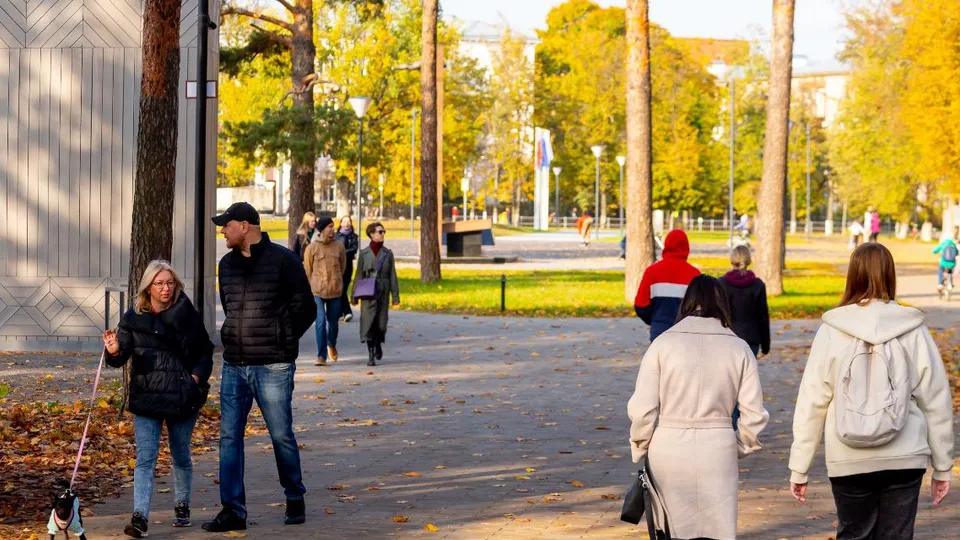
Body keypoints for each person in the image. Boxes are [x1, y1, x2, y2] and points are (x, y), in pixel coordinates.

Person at [788, 243, 954, 539]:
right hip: (905, 455)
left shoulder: (832, 329)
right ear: (891, 275)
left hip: (848, 457)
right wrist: (942, 465)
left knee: (853, 534)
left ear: (853, 275)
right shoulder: (913, 328)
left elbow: (812, 401)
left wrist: (800, 466)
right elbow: (935, 399)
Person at [628, 275, 769, 539]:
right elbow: (753, 414)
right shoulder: (739, 348)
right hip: (717, 446)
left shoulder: (663, 344)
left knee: (671, 529)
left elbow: (643, 408)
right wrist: (741, 444)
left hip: (668, 446)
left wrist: (641, 444)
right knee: (718, 530)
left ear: (687, 302)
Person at [203, 202, 316, 532]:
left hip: (273, 365)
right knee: (228, 438)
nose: (222, 230)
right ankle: (233, 510)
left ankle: (295, 495)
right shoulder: (226, 265)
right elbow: (231, 308)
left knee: (281, 435)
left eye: (226, 225)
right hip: (234, 365)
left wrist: (282, 340)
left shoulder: (284, 261)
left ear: (245, 226)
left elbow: (306, 308)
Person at [102, 260, 213, 538]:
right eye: (160, 283)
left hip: (181, 394)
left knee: (180, 454)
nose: (166, 288)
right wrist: (114, 351)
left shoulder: (186, 313)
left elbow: (204, 352)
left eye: (170, 283)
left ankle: (182, 505)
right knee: (145, 459)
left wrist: (194, 380)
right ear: (148, 287)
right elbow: (120, 357)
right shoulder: (133, 317)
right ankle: (139, 517)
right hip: (147, 395)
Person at [633, 229, 701, 342]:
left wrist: (655, 320)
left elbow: (640, 305)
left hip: (659, 330)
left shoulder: (652, 271)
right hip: (687, 333)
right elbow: (701, 308)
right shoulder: (695, 274)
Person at [352, 222, 400, 366]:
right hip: (368, 291)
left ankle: (378, 343)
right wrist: (354, 295)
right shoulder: (364, 254)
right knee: (368, 323)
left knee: (381, 323)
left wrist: (395, 295)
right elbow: (359, 274)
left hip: (383, 292)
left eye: (384, 231)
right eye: (380, 231)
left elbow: (393, 275)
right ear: (372, 234)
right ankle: (371, 353)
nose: (382, 234)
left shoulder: (388, 253)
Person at [304, 216, 346, 366]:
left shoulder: (339, 247)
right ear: (321, 229)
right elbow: (308, 270)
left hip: (335, 290)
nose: (332, 230)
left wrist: (336, 281)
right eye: (329, 227)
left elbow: (342, 267)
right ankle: (321, 356)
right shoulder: (312, 248)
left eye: (333, 227)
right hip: (317, 291)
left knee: (333, 323)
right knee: (320, 322)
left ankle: (331, 343)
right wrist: (314, 283)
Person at [720, 245, 770, 358]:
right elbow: (763, 317)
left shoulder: (722, 284)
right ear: (748, 261)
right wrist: (765, 346)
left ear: (732, 260)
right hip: (751, 339)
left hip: (727, 338)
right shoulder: (758, 285)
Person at [336, 216, 360, 323]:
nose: (346, 223)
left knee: (343, 288)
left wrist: (343, 253)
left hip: (348, 265)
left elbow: (354, 249)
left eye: (348, 221)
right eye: (344, 221)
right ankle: (345, 311)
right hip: (337, 265)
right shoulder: (336, 236)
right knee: (339, 289)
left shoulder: (354, 236)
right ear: (341, 223)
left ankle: (344, 311)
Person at [933, 227, 959, 297]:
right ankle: (950, 284)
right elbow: (956, 253)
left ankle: (940, 284)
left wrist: (936, 252)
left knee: (940, 271)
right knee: (950, 272)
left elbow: (934, 251)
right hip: (952, 263)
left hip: (943, 262)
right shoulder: (953, 244)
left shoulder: (943, 244)